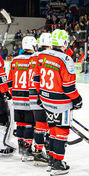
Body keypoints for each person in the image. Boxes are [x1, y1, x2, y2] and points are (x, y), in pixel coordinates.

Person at [35, 29, 83, 175]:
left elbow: (36, 79)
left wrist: (40, 95)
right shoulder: (66, 59)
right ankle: (58, 163)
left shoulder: (42, 56)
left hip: (46, 99)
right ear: (63, 42)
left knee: (53, 129)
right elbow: (68, 87)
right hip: (61, 102)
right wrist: (77, 99)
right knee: (61, 131)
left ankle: (51, 159)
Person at [8, 36, 38, 161]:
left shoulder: (15, 60)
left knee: (20, 123)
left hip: (16, 96)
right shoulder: (34, 59)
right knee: (29, 124)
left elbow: (9, 80)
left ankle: (21, 147)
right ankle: (27, 148)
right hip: (28, 96)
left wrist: (12, 93)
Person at [29, 33, 54, 166]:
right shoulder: (48, 56)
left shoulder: (33, 56)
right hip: (44, 93)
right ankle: (51, 150)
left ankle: (38, 151)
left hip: (32, 93)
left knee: (39, 124)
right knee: (49, 124)